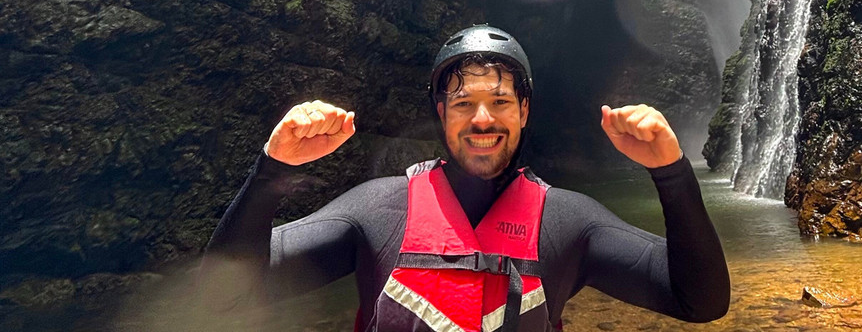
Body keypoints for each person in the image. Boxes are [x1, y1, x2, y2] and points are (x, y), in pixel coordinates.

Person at [203, 24, 730, 331]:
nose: (483, 119)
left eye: (500, 101)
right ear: (442, 114)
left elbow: (700, 301)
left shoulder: (571, 223)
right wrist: (271, 172)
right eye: (463, 104)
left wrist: (671, 174)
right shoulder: (374, 211)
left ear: (524, 111)